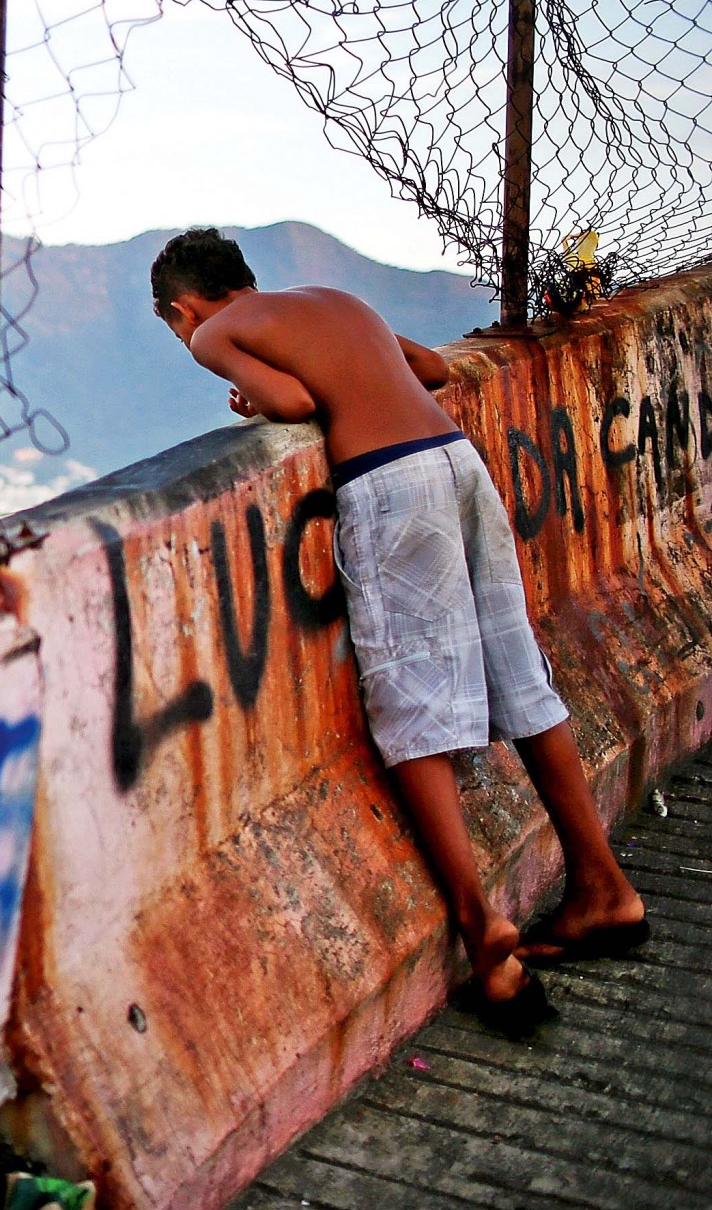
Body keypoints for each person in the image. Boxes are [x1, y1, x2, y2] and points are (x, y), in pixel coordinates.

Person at [148, 227, 646, 1033]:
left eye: (177, 327)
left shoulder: (214, 333)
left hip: (390, 484)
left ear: (183, 309)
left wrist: (253, 396)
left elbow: (295, 404)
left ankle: (483, 929)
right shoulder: (332, 301)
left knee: (411, 708)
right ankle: (604, 887)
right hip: (457, 461)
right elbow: (436, 369)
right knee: (519, 672)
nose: (187, 340)